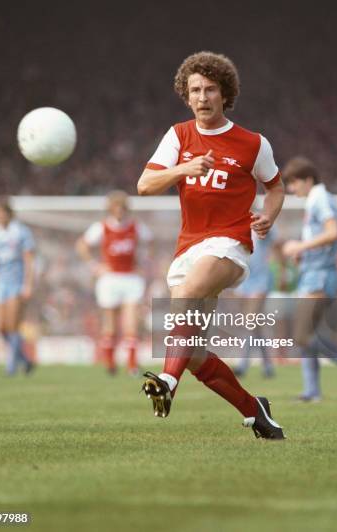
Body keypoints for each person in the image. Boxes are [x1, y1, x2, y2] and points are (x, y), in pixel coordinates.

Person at [137, 51, 285, 440]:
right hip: (188, 247)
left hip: (230, 245)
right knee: (193, 351)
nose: (202, 97)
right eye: (195, 90)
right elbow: (145, 185)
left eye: (210, 89)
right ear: (186, 96)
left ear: (225, 93)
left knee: (186, 296)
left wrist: (269, 215)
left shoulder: (253, 144)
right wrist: (184, 168)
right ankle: (257, 412)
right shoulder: (179, 135)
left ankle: (167, 382)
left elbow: (275, 187)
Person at [282, 156, 337, 401]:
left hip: (319, 277)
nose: (291, 189)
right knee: (308, 334)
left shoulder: (319, 198)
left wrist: (301, 246)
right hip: (316, 273)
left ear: (308, 179)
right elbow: (335, 238)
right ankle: (312, 391)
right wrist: (307, 252)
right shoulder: (316, 199)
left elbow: (333, 233)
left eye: (294, 183)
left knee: (302, 334)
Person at [76, 190, 153, 376]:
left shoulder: (136, 227)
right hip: (109, 279)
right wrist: (95, 266)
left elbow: (150, 244)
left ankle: (132, 364)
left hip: (131, 278)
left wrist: (143, 263)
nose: (119, 211)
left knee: (131, 323)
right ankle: (110, 363)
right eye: (116, 207)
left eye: (122, 207)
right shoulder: (101, 227)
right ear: (110, 209)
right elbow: (82, 245)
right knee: (109, 323)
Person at [0, 197, 35, 375]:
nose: (0, 217)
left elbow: (28, 260)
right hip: (0, 284)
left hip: (16, 283)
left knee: (12, 325)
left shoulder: (21, 232)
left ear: (9, 215)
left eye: (3, 213)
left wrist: (28, 284)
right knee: (1, 328)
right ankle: (25, 360)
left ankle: (10, 366)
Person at [233, 227, 277, 378]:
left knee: (250, 322)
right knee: (254, 326)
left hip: (261, 280)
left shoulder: (260, 224)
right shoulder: (239, 224)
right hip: (244, 280)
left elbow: (274, 244)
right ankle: (268, 365)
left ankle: (242, 364)